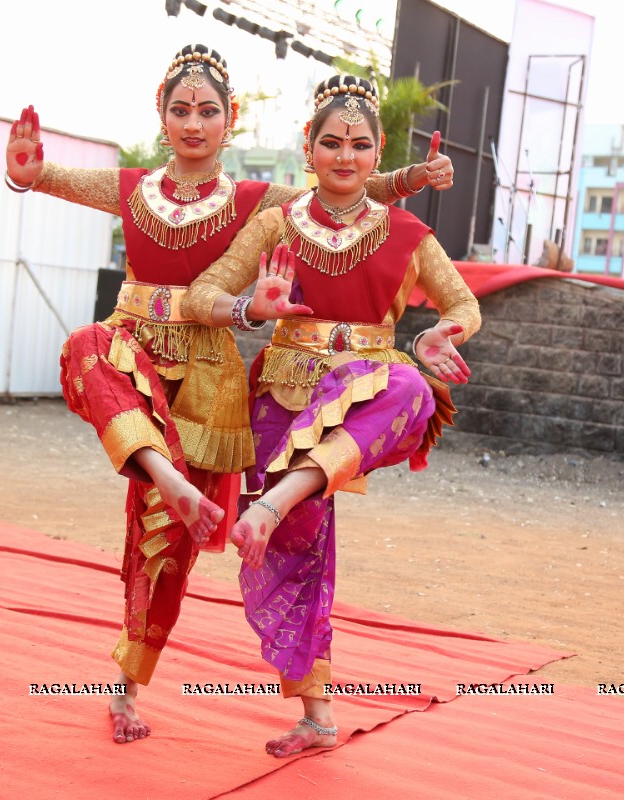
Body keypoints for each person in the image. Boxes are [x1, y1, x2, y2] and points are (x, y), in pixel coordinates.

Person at [3, 48, 456, 745]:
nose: (193, 122)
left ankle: (315, 708)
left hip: (212, 385)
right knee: (92, 357)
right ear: (161, 117)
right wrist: (29, 176)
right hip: (137, 358)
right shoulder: (131, 188)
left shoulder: (257, 202)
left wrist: (410, 179)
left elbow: (341, 187)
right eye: (180, 110)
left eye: (207, 111)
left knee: (264, 535)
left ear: (229, 121)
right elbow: (59, 177)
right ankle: (128, 677)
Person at [183, 74, 480, 758]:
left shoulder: (406, 232)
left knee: (414, 388)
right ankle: (316, 716)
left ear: (377, 156)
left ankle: (277, 498)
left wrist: (441, 336)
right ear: (309, 149)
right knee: (295, 554)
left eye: (359, 145)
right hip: (281, 395)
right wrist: (252, 308)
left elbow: (463, 304)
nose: (344, 157)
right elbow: (202, 293)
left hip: (366, 387)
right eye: (331, 143)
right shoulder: (276, 224)